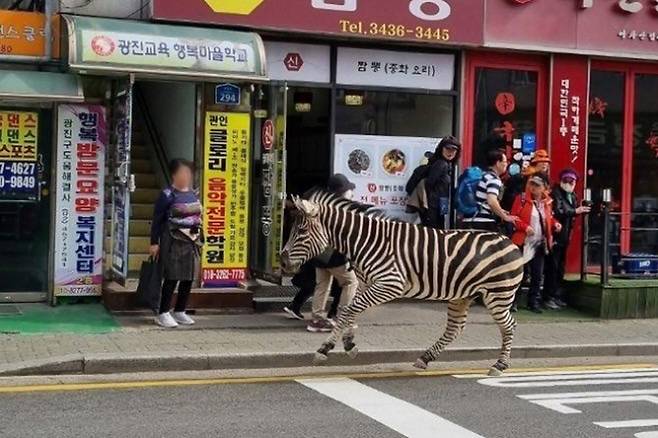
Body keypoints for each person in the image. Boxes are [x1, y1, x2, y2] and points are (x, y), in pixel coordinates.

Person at [149, 159, 202, 328]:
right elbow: (157, 220)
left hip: (190, 242)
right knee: (172, 276)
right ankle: (163, 312)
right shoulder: (167, 195)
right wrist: (154, 242)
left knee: (188, 277)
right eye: (183, 173)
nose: (186, 176)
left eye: (188, 173)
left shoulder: (193, 194)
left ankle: (180, 310)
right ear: (174, 175)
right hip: (172, 241)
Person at [307, 174, 359, 333]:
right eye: (348, 190)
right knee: (351, 282)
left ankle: (316, 319)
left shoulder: (320, 204)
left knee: (322, 285)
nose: (350, 192)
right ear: (341, 192)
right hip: (334, 256)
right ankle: (342, 318)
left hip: (318, 253)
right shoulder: (339, 209)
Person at [510, 173, 562, 313]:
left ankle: (533, 302)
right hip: (523, 241)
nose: (533, 188)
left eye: (537, 185)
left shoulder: (547, 203)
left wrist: (555, 224)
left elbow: (549, 219)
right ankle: (513, 301)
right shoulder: (521, 199)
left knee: (537, 274)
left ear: (545, 188)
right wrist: (525, 227)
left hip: (539, 243)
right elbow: (513, 217)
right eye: (531, 184)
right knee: (520, 273)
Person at [544, 169, 591, 308]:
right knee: (552, 267)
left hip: (565, 237)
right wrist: (575, 211)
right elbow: (558, 211)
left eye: (572, 181)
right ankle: (548, 297)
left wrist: (578, 209)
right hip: (556, 235)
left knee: (560, 268)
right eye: (566, 180)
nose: (569, 183)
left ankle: (556, 295)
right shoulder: (556, 193)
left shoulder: (572, 195)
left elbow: (570, 211)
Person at [462, 149, 517, 231]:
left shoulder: (482, 176)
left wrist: (500, 210)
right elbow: (491, 201)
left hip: (468, 219)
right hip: (482, 222)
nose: (506, 164)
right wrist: (505, 217)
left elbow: (481, 199)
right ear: (498, 163)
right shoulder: (493, 179)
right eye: (505, 162)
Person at [424, 136, 461, 229]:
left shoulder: (448, 165)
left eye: (454, 150)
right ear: (441, 149)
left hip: (441, 203)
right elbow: (429, 184)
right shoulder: (441, 164)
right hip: (434, 205)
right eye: (448, 149)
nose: (450, 152)